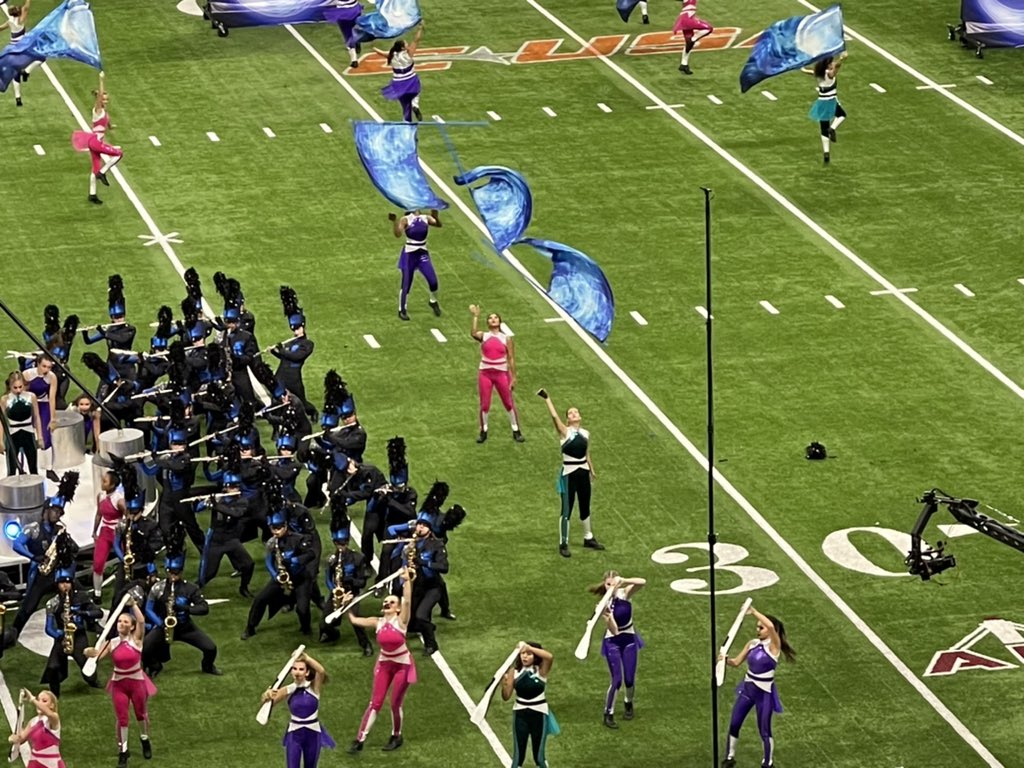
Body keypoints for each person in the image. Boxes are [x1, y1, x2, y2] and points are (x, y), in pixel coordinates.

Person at [346, 570, 416, 753]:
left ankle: (396, 735)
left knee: (394, 703)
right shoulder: (376, 621)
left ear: (398, 608)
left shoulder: (402, 620)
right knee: (375, 703)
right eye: (386, 601)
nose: (387, 603)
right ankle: (359, 739)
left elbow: (407, 600)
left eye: (391, 602)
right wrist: (347, 605)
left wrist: (407, 581)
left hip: (403, 666)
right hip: (384, 664)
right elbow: (354, 620)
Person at [719, 606, 796, 768]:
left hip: (764, 694)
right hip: (747, 690)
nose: (758, 630)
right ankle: (730, 756)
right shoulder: (752, 644)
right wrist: (724, 660)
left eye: (760, 627)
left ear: (769, 630)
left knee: (764, 730)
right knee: (734, 723)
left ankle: (768, 763)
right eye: (757, 627)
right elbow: (736, 662)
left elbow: (769, 625)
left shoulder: (774, 647)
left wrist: (753, 611)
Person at [85, 598, 158, 767]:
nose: (121, 623)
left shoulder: (136, 640)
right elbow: (95, 657)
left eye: (125, 621)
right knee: (122, 719)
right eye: (119, 621)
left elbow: (141, 620)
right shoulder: (111, 643)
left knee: (140, 715)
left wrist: (133, 605)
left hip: (137, 684)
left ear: (131, 627)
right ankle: (123, 751)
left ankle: (144, 739)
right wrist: (88, 653)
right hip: (119, 685)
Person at [537, 388, 602, 556]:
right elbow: (554, 417)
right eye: (571, 413)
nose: (574, 413)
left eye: (576, 412)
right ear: (567, 419)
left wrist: (592, 470)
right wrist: (547, 399)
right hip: (569, 475)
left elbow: (586, 453)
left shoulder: (586, 433)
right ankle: (563, 543)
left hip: (583, 472)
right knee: (566, 509)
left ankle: (589, 537)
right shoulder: (565, 432)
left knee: (585, 506)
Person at [143, 542, 221, 678]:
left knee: (210, 648)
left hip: (185, 627)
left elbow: (203, 608)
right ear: (167, 571)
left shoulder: (190, 588)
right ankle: (155, 666)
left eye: (177, 573)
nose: (173, 576)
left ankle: (208, 666)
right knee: (145, 648)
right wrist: (161, 623)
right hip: (163, 625)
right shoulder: (158, 588)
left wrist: (184, 608)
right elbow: (148, 608)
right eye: (171, 573)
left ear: (181, 572)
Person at [589, 571, 645, 728]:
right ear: (604, 585)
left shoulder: (624, 593)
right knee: (617, 680)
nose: (611, 587)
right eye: (608, 584)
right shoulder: (603, 605)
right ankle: (608, 713)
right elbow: (614, 631)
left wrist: (624, 580)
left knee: (629, 679)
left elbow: (642, 581)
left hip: (629, 639)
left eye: (613, 583)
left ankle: (628, 702)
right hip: (612, 641)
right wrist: (608, 616)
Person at [261, 653, 335, 768]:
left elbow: (321, 671)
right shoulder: (287, 690)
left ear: (307, 672)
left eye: (301, 669)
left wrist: (307, 658)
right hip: (294, 734)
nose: (297, 672)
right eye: (294, 668)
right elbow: (268, 705)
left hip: (313, 733)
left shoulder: (314, 688)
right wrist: (267, 695)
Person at [41, 567, 102, 698]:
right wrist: (60, 635)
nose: (65, 586)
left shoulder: (81, 597)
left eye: (67, 582)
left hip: (79, 635)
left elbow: (99, 612)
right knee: (52, 667)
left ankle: (93, 681)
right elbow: (49, 628)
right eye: (62, 583)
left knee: (86, 666)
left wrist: (83, 613)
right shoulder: (53, 603)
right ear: (57, 585)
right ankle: (54, 694)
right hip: (62, 637)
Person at [470, 305, 523, 443]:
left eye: (495, 317)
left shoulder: (506, 338)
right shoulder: (484, 335)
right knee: (485, 404)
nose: (493, 320)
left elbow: (511, 357)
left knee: (508, 403)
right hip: (485, 374)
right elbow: (473, 333)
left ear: (500, 321)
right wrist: (475, 316)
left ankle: (516, 430)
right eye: (490, 318)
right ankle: (484, 430)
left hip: (501, 374)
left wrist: (513, 376)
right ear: (487, 322)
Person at [501, 641, 557, 768]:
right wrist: (503, 683)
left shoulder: (541, 670)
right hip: (520, 714)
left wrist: (529, 647)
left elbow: (549, 657)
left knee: (539, 757)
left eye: (529, 654)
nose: (525, 657)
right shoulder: (513, 672)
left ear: (535, 656)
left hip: (539, 714)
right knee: (518, 757)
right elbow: (506, 696)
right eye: (522, 654)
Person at [75, 71, 123, 205]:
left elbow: (107, 123)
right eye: (104, 98)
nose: (106, 100)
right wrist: (101, 80)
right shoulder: (97, 109)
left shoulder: (104, 112)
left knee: (94, 168)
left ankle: (92, 194)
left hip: (95, 141)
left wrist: (111, 126)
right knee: (119, 154)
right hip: (95, 141)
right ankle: (102, 172)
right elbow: (100, 96)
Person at [389, 209, 442, 322]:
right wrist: (394, 221)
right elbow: (398, 234)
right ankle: (402, 309)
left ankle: (433, 301)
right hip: (409, 254)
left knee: (433, 281)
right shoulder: (406, 219)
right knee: (407, 283)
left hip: (422, 252)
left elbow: (438, 224)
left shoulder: (425, 218)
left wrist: (435, 216)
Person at [374, 23, 424, 122]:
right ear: (402, 48)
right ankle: (415, 105)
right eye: (406, 44)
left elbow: (380, 53)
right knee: (417, 90)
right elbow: (416, 40)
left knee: (405, 106)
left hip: (397, 83)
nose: (408, 45)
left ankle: (407, 125)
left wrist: (373, 47)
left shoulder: (391, 55)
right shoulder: (408, 54)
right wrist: (420, 29)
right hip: (410, 79)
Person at [7, 687, 64, 768]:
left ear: (52, 705)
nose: (39, 703)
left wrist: (32, 699)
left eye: (44, 701)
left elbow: (50, 714)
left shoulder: (54, 718)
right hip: (35, 763)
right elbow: (21, 739)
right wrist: (12, 738)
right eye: (38, 700)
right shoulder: (33, 721)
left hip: (52, 764)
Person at [1, 370, 44, 476]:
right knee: (11, 469)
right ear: (10, 386)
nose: (18, 390)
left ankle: (35, 491)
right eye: (15, 388)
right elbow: (1, 421)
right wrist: (0, 441)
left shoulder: (31, 396)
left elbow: (37, 417)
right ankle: (12, 492)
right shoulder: (5, 399)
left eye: (20, 387)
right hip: (12, 435)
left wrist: (40, 436)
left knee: (33, 467)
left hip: (28, 432)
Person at [809, 52, 848, 165]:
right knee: (842, 115)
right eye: (831, 62)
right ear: (828, 65)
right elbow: (837, 67)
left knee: (823, 128)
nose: (833, 63)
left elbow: (808, 71)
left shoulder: (818, 73)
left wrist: (801, 67)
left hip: (821, 103)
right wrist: (842, 59)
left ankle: (826, 153)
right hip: (830, 101)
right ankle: (833, 128)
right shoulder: (830, 74)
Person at [92, 469, 126, 600]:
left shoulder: (119, 500)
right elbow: (99, 514)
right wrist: (94, 531)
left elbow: (126, 515)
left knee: (125, 559)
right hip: (105, 531)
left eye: (105, 481)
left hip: (116, 533)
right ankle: (97, 593)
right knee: (98, 562)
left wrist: (122, 527)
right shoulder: (100, 496)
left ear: (112, 485)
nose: (102, 483)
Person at [0, 0, 35, 107]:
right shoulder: (21, 20)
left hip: (11, 48)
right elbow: (26, 7)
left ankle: (18, 97)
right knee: (40, 55)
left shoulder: (10, 21)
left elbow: (0, 29)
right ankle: (27, 71)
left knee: (15, 71)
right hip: (22, 47)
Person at [23, 356, 58, 452]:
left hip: (43, 403)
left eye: (49, 367)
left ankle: (45, 463)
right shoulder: (27, 374)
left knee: (45, 438)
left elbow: (52, 398)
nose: (46, 370)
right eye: (44, 366)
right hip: (29, 403)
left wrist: (53, 418)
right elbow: (22, 394)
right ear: (38, 364)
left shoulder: (52, 377)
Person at [673, 0, 714, 75]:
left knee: (688, 43)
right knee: (708, 28)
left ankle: (684, 64)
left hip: (685, 18)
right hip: (687, 19)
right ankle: (693, 39)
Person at [324, 0, 363, 69]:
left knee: (347, 34)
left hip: (343, 12)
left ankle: (354, 59)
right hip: (355, 9)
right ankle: (357, 41)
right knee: (355, 28)